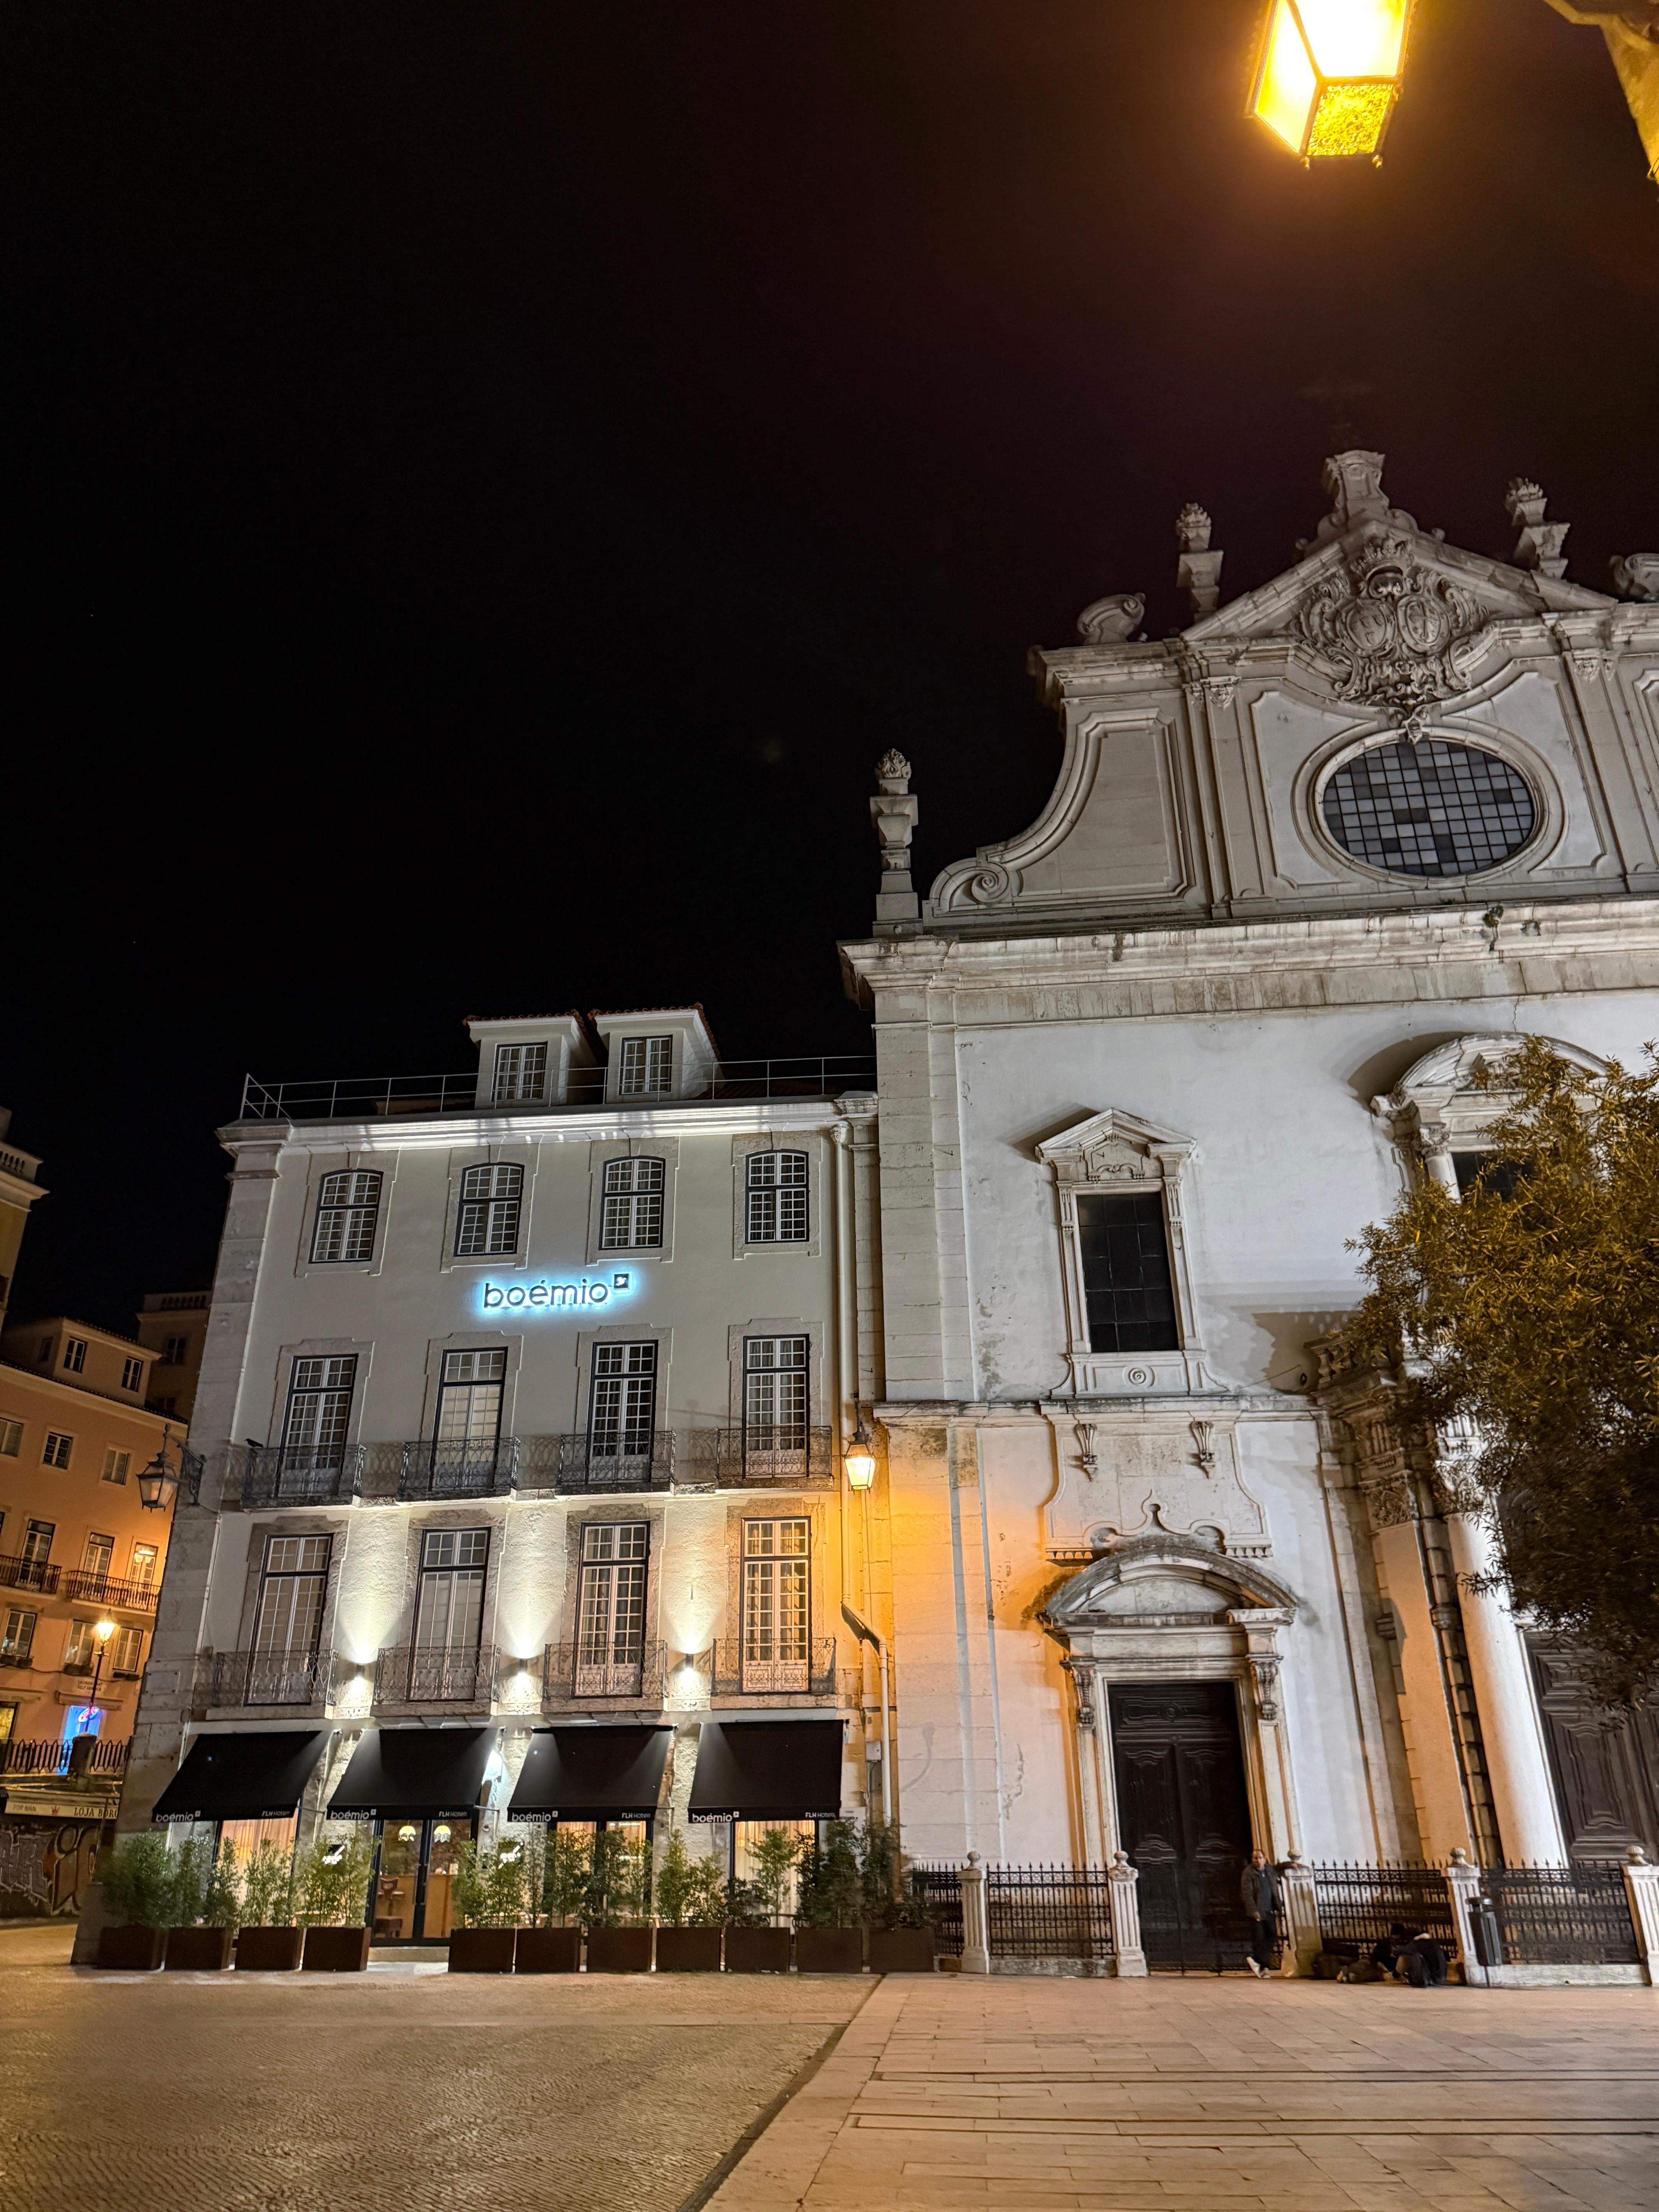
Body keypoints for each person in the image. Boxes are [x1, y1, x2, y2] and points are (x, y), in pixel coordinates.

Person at [1240, 1850, 1281, 1977]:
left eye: (1260, 1858)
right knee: (1260, 1939)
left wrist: (1291, 1864)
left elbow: (1279, 1868)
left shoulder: (1269, 1870)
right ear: (1252, 1860)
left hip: (1269, 1910)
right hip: (1257, 1911)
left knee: (1273, 1936)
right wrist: (1254, 1910)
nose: (1258, 1861)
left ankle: (1255, 1960)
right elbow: (1247, 1893)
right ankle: (1265, 1967)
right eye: (1255, 1858)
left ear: (1265, 1859)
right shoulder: (1249, 1872)